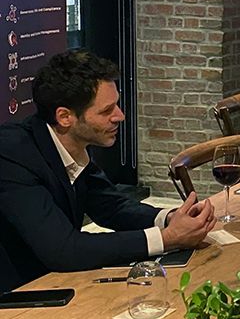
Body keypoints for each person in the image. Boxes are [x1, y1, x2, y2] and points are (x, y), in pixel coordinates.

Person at [0, 50, 216, 292]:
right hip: (16, 299)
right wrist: (166, 239)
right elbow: (62, 250)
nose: (120, 116)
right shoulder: (12, 155)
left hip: (52, 283)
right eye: (107, 111)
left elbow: (112, 207)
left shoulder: (71, 143)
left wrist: (169, 218)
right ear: (64, 116)